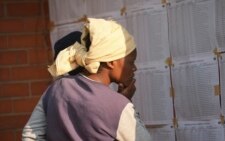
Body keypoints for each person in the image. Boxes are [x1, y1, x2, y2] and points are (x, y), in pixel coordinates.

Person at [22, 17, 151, 141]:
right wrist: (125, 102)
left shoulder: (56, 88)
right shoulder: (119, 106)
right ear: (111, 62)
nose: (134, 68)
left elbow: (30, 135)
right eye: (131, 62)